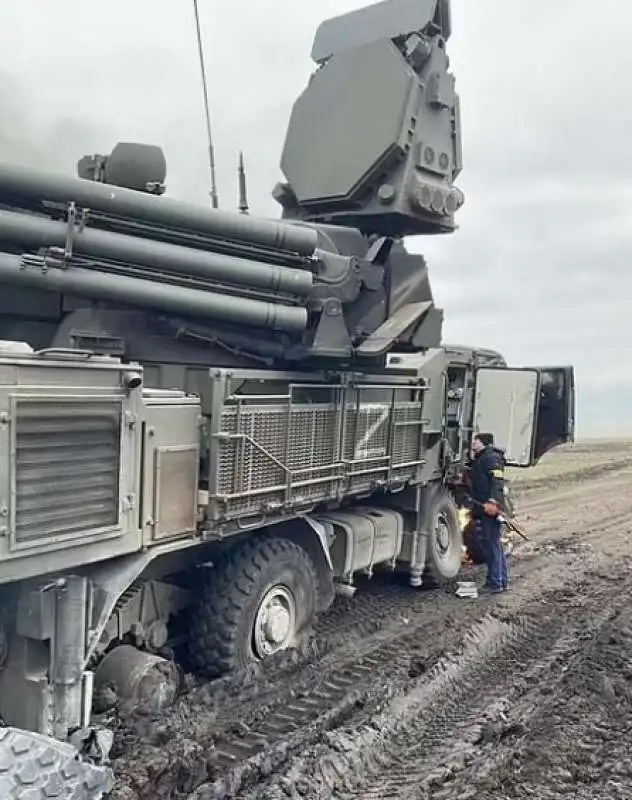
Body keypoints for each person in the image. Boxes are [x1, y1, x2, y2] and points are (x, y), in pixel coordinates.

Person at [470, 432, 508, 593]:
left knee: (492, 545)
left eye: (475, 440)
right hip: (484, 507)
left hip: (490, 508)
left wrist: (493, 501)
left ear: (483, 442)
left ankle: (495, 583)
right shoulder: (481, 458)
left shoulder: (491, 458)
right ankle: (501, 581)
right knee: (494, 545)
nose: (473, 443)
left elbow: (497, 481)